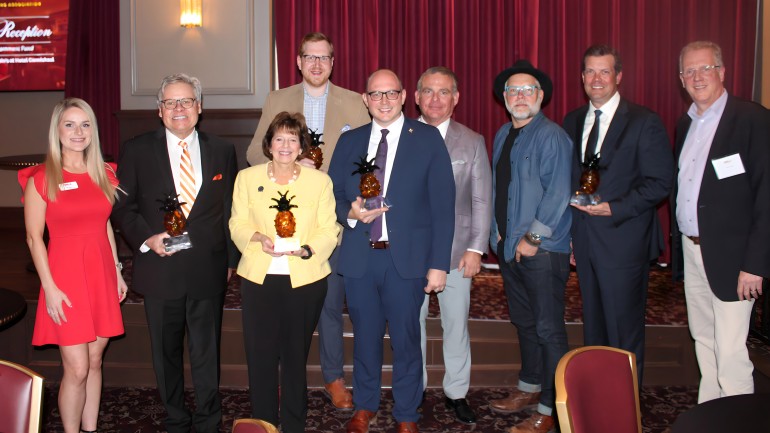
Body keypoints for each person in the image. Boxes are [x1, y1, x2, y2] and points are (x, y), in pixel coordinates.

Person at [246, 31, 370, 410]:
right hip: (283, 220)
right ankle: (284, 377)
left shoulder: (354, 102)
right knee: (287, 306)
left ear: (333, 62)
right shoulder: (277, 99)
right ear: (298, 61)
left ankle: (333, 378)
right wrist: (286, 165)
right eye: (309, 57)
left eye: (324, 58)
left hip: (334, 218)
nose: (316, 64)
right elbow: (255, 152)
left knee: (330, 300)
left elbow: (369, 159)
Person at [328, 69, 455, 433]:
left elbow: (443, 207)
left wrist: (438, 265)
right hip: (360, 257)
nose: (383, 101)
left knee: (406, 340)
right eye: (375, 94)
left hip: (408, 261)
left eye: (390, 94)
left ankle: (406, 414)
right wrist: (349, 214)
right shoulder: (350, 141)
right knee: (365, 336)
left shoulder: (427, 139)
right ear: (365, 100)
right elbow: (333, 195)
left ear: (403, 98)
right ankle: (365, 406)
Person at [111, 73, 239, 433]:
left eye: (186, 101)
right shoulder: (136, 150)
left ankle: (209, 420)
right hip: (160, 268)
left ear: (199, 107)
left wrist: (231, 260)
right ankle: (176, 419)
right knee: (165, 355)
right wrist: (147, 238)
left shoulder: (222, 150)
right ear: (159, 110)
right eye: (170, 102)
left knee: (206, 352)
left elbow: (230, 210)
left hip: (207, 269)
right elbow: (123, 208)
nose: (179, 109)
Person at [562, 45, 673, 382]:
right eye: (590, 72)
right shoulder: (573, 119)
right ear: (582, 78)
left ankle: (624, 411)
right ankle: (597, 402)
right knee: (594, 329)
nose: (597, 79)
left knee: (623, 332)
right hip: (583, 239)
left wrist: (614, 207)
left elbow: (660, 183)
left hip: (624, 241)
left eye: (604, 71)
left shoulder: (644, 121)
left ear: (618, 76)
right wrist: (569, 236)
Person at [671, 41, 770, 403]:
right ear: (682, 79)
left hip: (734, 258)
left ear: (722, 72)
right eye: (690, 71)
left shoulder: (752, 120)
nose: (698, 77)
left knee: (730, 351)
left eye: (706, 68)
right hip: (693, 249)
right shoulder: (686, 125)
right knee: (705, 340)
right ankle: (711, 414)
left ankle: (739, 420)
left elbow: (767, 196)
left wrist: (755, 264)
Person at [20, 97, 126, 433]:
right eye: (70, 124)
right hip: (64, 278)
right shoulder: (41, 177)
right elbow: (34, 239)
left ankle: (90, 428)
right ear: (57, 131)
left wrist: (118, 270)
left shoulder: (105, 173)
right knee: (77, 368)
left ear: (93, 131)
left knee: (95, 361)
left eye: (85, 124)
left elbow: (105, 224)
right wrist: (49, 288)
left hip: (101, 274)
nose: (78, 132)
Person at [230, 111, 340, 432]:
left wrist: (307, 249)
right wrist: (256, 237)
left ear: (302, 146)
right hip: (259, 278)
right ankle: (263, 424)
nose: (286, 145)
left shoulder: (320, 182)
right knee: (260, 357)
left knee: (294, 358)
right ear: (268, 143)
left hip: (304, 278)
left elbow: (328, 228)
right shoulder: (247, 179)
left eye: (293, 139)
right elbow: (237, 222)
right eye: (280, 138)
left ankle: (294, 425)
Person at [486, 60, 573, 433]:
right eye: (513, 91)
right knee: (524, 323)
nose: (520, 96)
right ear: (505, 99)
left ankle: (551, 409)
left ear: (541, 97)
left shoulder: (552, 136)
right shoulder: (503, 134)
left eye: (528, 90)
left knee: (548, 328)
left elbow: (558, 192)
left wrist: (533, 237)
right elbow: (498, 189)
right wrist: (497, 233)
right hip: (510, 249)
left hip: (542, 250)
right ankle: (529, 387)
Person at [414, 66, 491, 425]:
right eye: (428, 91)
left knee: (455, 325)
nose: (435, 99)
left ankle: (456, 392)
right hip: (410, 252)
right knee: (408, 325)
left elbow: (480, 200)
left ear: (456, 98)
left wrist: (476, 248)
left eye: (443, 92)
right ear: (415, 97)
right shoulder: (402, 135)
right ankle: (414, 389)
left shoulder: (472, 141)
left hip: (457, 252)